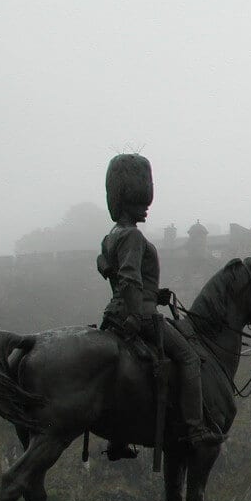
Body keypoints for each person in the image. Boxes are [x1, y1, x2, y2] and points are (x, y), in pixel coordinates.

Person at [98, 154, 223, 458]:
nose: (147, 206)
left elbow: (112, 272)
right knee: (190, 358)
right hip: (138, 316)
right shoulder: (134, 237)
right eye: (142, 201)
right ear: (130, 200)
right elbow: (129, 280)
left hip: (113, 314)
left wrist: (155, 293)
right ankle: (196, 430)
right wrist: (138, 313)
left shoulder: (110, 236)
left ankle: (118, 438)